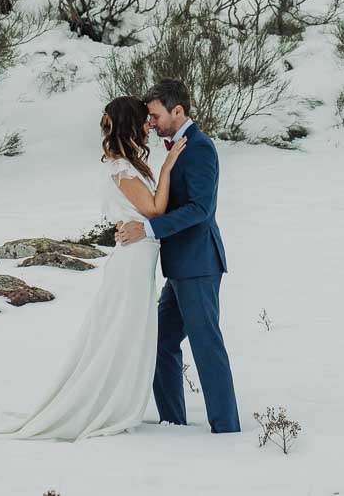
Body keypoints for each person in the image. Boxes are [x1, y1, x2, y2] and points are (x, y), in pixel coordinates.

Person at [0, 96, 187, 441]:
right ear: (131, 123)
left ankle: (117, 400)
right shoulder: (122, 168)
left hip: (139, 260)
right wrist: (168, 167)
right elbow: (154, 211)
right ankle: (102, 404)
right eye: (144, 119)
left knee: (130, 334)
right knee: (120, 333)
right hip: (132, 263)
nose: (149, 124)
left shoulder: (131, 165)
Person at [114, 78, 240, 434]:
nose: (150, 123)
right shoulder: (177, 148)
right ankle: (173, 423)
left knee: (206, 347)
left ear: (178, 111)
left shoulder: (200, 148)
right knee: (160, 343)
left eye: (155, 115)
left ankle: (227, 430)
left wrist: (149, 230)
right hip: (180, 267)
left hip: (199, 264)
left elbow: (201, 209)